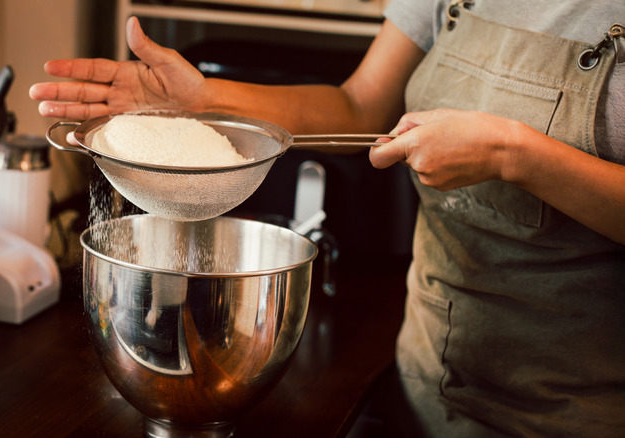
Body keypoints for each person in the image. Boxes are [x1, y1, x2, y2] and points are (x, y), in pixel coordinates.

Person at [30, 0, 625, 436]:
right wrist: (203, 99)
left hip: (579, 407)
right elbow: (359, 104)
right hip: (429, 379)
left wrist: (512, 153)